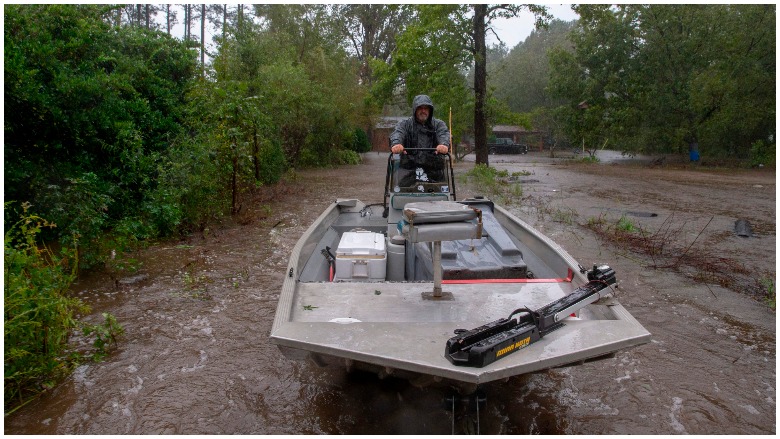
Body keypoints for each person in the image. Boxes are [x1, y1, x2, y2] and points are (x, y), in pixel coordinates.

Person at [389, 95, 450, 188]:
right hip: (409, 172)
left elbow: (444, 134)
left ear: (430, 110)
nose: (423, 111)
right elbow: (398, 133)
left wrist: (444, 144)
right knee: (401, 190)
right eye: (420, 108)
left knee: (439, 193)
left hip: (435, 173)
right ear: (415, 110)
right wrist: (396, 143)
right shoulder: (405, 124)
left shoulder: (438, 124)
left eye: (426, 108)